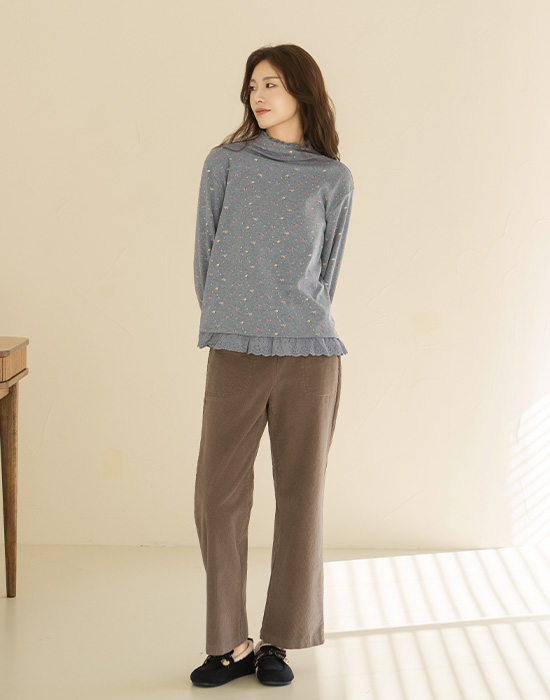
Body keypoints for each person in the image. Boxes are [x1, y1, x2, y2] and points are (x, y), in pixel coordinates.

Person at [190, 43, 355, 688]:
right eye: (254, 84)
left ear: (302, 92)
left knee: (300, 499)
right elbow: (205, 258)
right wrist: (234, 316)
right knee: (217, 498)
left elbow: (327, 274)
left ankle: (279, 640)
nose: (259, 96)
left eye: (274, 84)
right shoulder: (225, 163)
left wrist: (291, 319)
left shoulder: (331, 178)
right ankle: (229, 643)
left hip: (309, 356)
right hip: (234, 348)